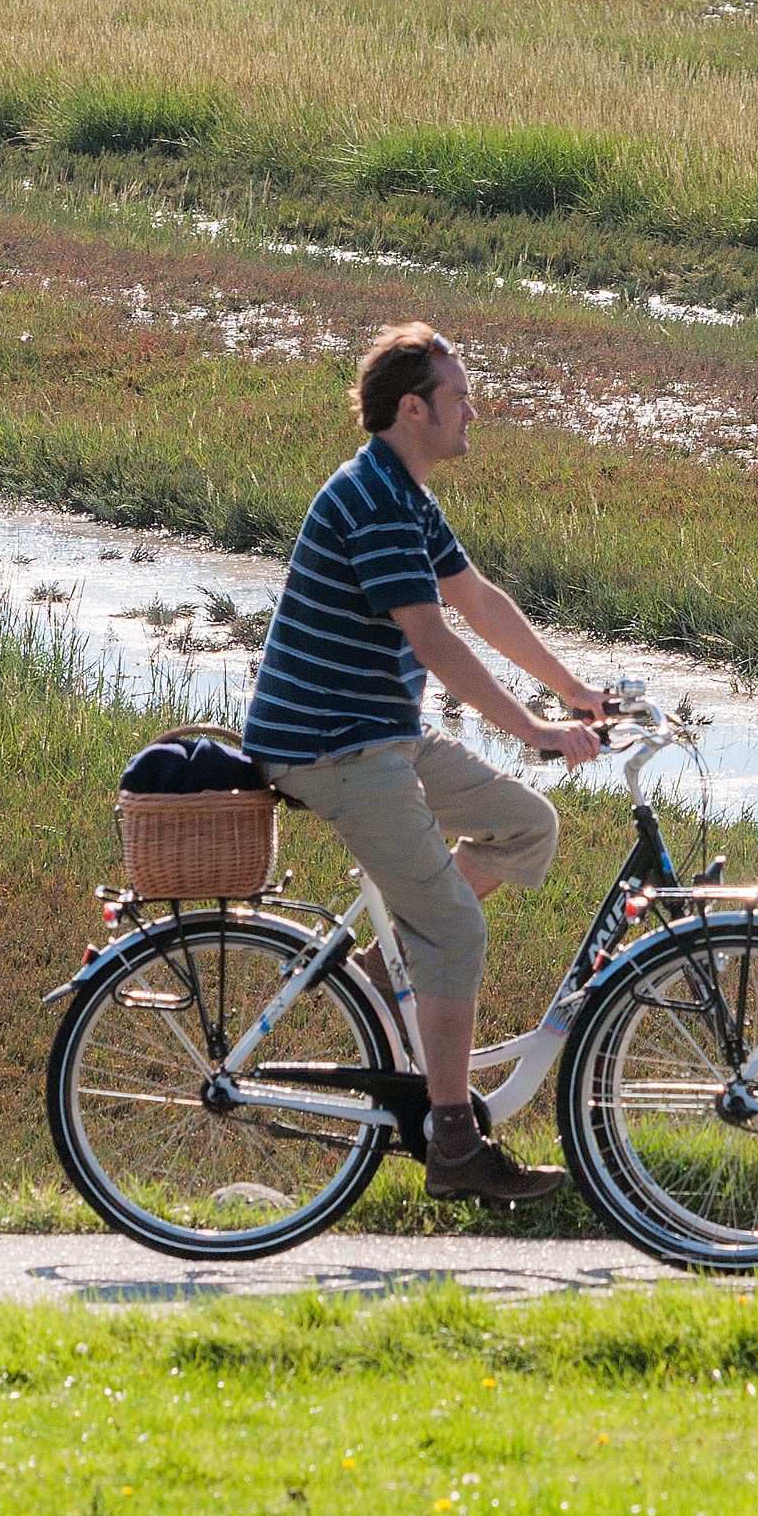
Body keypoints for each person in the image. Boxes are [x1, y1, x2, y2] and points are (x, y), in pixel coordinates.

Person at [240, 323, 611, 1202]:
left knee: (527, 826)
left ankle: (382, 973)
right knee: (455, 928)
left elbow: (477, 600)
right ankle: (452, 1142)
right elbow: (434, 640)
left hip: (379, 733)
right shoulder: (373, 500)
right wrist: (534, 731)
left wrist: (572, 690)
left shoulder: (403, 493)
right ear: (414, 409)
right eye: (459, 398)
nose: (472, 412)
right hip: (332, 744)